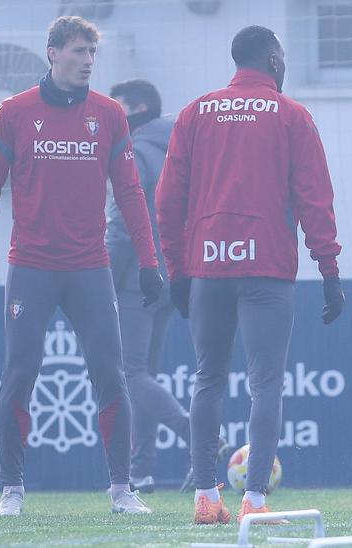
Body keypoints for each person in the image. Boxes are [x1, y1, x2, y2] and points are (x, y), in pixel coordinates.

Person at [0, 15, 163, 516]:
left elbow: (131, 192)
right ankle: (11, 490)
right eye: (77, 52)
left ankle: (122, 489)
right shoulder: (14, 112)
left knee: (111, 375)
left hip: (90, 269)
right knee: (20, 372)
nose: (87, 61)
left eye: (92, 53)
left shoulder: (110, 114)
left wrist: (150, 259)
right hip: (31, 267)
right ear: (52, 53)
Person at [156, 25, 345, 525]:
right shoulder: (292, 115)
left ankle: (204, 497)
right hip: (266, 270)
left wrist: (177, 269)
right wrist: (329, 268)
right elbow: (314, 198)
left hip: (208, 267)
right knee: (266, 384)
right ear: (273, 59)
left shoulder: (195, 112)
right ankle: (255, 502)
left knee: (207, 378)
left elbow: (168, 199)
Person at [107, 79, 226, 494]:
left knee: (131, 374)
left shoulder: (133, 152)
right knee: (144, 375)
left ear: (138, 108)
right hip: (174, 273)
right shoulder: (182, 148)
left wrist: (108, 275)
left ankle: (199, 440)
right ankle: (141, 471)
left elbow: (122, 225)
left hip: (135, 278)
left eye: (118, 105)